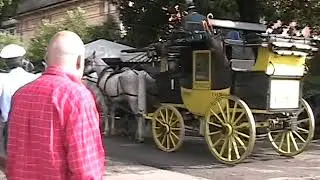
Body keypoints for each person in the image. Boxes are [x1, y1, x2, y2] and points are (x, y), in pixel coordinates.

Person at [6, 31, 105, 179]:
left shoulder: (20, 95)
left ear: (46, 59)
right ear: (79, 61)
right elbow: (86, 170)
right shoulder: (77, 96)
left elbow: (11, 152)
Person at [0, 44, 39, 154]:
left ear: (6, 62)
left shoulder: (2, 79)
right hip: (34, 127)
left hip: (10, 129)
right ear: (23, 60)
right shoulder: (35, 78)